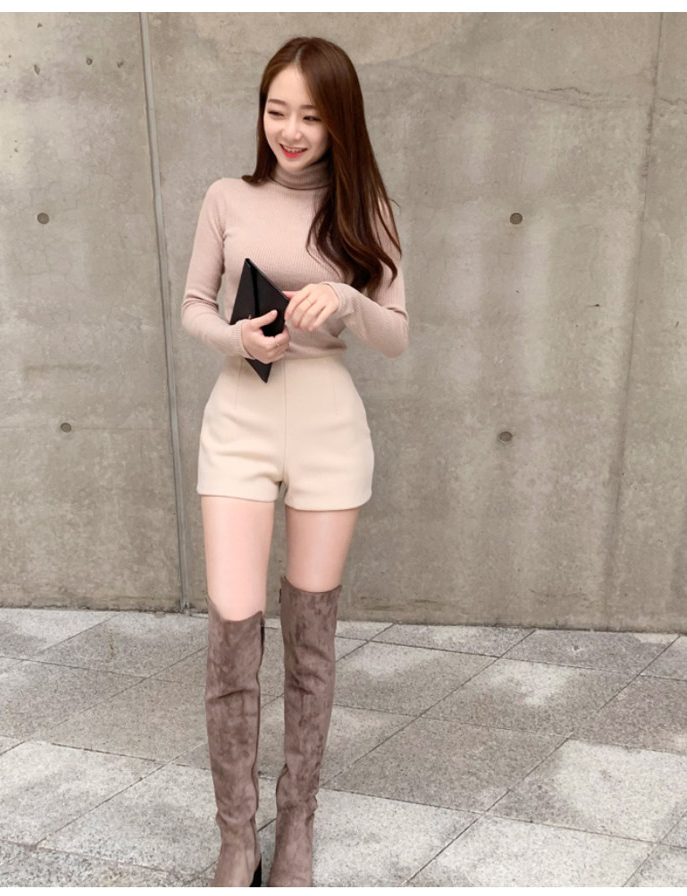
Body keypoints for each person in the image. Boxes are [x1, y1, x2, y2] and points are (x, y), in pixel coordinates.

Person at [181, 36, 408, 887]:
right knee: (232, 631)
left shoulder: (367, 208)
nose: (291, 130)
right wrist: (236, 337)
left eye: (311, 115)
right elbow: (193, 306)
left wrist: (346, 298)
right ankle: (236, 835)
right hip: (239, 420)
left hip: (327, 427)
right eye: (277, 111)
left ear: (340, 121)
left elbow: (397, 335)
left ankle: (298, 821)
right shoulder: (227, 197)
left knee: (311, 639)